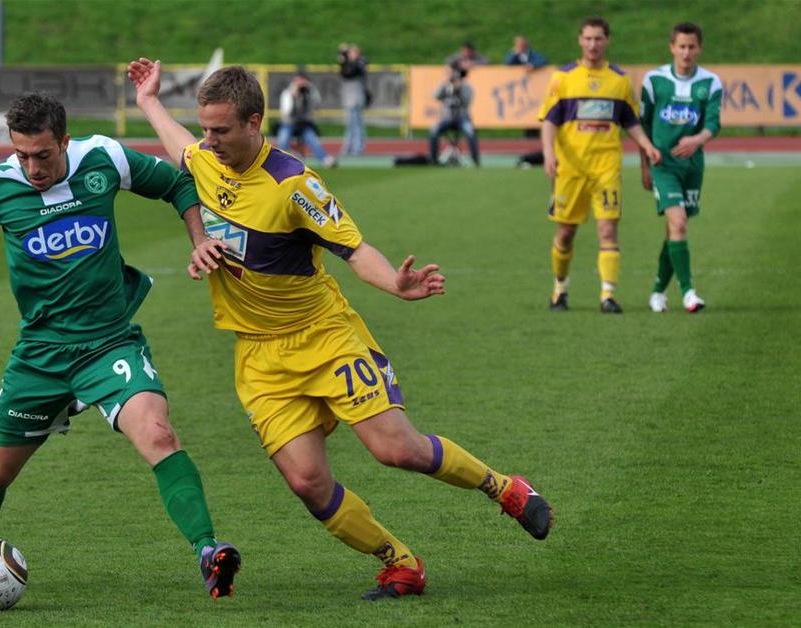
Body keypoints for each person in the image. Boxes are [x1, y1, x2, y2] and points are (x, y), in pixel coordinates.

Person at [127, 58, 553, 601]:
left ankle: (506, 489)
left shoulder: (293, 184)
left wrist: (395, 284)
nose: (208, 142)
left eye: (221, 131)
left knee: (396, 449)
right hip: (259, 358)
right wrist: (148, 101)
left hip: (324, 337)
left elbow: (353, 248)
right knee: (307, 481)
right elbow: (178, 143)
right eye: (205, 129)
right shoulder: (206, 159)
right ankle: (399, 562)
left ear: (255, 122)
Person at [0, 92, 241, 600]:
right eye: (22, 155)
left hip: (108, 343)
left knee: (158, 434)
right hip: (40, 356)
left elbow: (177, 182)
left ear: (64, 141)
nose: (32, 167)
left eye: (42, 155)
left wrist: (198, 238)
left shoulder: (102, 157)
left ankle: (207, 550)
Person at [539, 16, 662, 313]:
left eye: (598, 39)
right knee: (565, 233)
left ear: (607, 41)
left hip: (606, 168)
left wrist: (647, 145)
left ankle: (608, 295)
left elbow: (631, 121)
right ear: (580, 41)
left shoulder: (619, 80)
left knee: (608, 231)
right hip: (571, 168)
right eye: (588, 38)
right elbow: (549, 120)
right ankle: (560, 288)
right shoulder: (563, 77)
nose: (593, 44)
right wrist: (548, 153)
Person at [640, 22, 721, 313]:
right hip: (663, 165)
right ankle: (689, 293)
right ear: (672, 47)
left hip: (692, 166)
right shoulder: (654, 81)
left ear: (700, 48)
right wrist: (644, 166)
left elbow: (713, 123)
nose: (686, 53)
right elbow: (642, 127)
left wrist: (697, 140)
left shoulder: (710, 83)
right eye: (682, 46)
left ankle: (657, 292)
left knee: (675, 228)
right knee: (679, 222)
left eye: (692, 47)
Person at [503, 35, 549, 167]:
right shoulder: (514, 55)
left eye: (522, 44)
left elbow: (544, 61)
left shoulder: (533, 54)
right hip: (519, 96)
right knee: (527, 128)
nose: (520, 46)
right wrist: (514, 54)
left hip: (534, 95)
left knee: (536, 125)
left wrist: (533, 65)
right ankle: (529, 156)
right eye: (518, 44)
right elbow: (506, 64)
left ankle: (536, 154)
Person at [276, 70, 336, 168]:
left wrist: (311, 90)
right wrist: (294, 96)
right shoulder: (287, 93)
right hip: (289, 122)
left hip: (304, 123)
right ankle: (280, 161)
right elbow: (286, 112)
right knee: (283, 139)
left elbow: (317, 105)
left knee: (313, 139)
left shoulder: (310, 92)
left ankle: (325, 159)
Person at [428, 67, 480, 166]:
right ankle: (434, 160)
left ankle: (475, 160)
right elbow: (436, 96)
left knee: (471, 132)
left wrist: (459, 89)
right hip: (447, 119)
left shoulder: (466, 87)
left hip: (462, 119)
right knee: (434, 131)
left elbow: (467, 101)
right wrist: (444, 84)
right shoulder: (445, 86)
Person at [338, 43, 369, 157]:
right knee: (350, 124)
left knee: (356, 124)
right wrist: (342, 55)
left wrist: (343, 57)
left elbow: (349, 72)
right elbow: (344, 71)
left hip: (356, 98)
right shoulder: (350, 64)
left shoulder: (359, 63)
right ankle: (349, 147)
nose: (350, 55)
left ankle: (357, 148)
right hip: (349, 98)